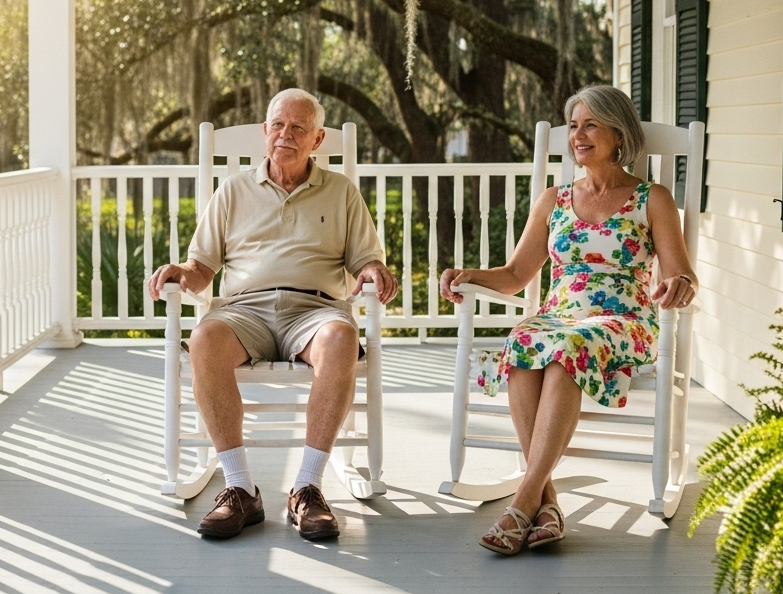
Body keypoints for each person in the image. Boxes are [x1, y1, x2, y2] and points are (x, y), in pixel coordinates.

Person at [439, 85, 697, 555]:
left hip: (624, 319)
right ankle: (547, 500)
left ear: (618, 134)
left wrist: (679, 285)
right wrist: (467, 274)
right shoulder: (554, 199)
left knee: (566, 350)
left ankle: (522, 502)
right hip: (560, 317)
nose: (578, 135)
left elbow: (683, 273)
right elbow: (517, 274)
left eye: (590, 124)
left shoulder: (651, 198)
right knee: (522, 341)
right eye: (574, 126)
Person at [149, 88, 397, 541]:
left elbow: (366, 260)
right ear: (265, 131)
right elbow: (202, 270)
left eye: (298, 127)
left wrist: (375, 269)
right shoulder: (233, 192)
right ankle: (240, 489)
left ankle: (307, 487)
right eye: (278, 125)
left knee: (342, 338)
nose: (286, 134)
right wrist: (180, 271)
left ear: (317, 139)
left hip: (316, 310)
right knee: (204, 339)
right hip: (246, 310)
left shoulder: (342, 192)